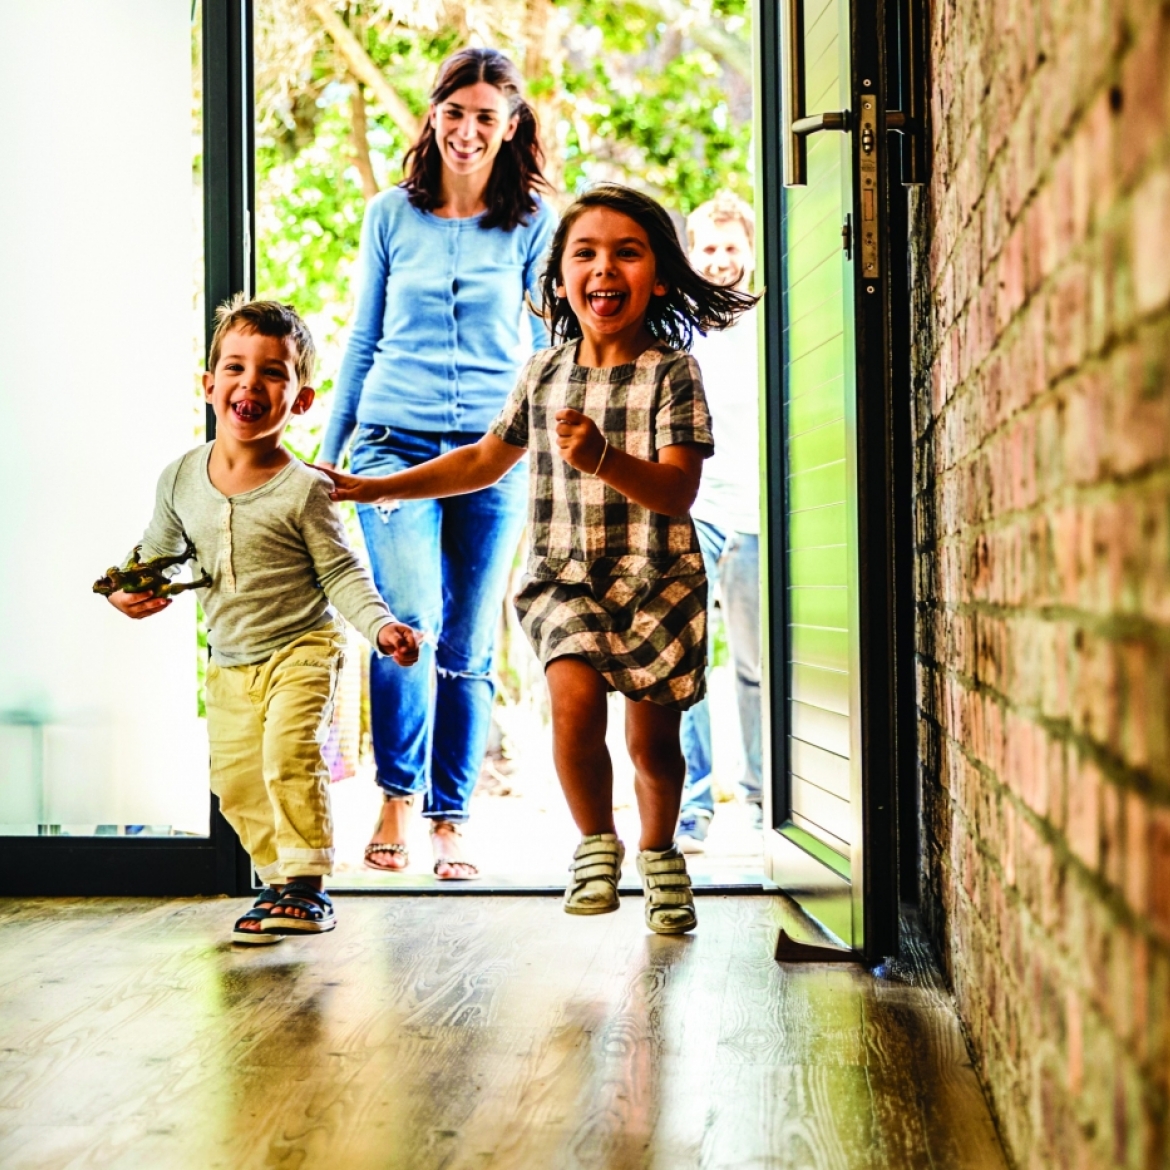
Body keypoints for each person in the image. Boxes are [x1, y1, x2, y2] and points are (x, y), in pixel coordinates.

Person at [318, 185, 755, 933]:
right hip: (566, 579)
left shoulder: (673, 372)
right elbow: (484, 460)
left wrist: (605, 457)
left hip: (658, 579)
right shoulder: (543, 372)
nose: (603, 268)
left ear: (658, 274)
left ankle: (660, 854)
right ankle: (595, 843)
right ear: (558, 280)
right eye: (584, 253)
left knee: (654, 745)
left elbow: (679, 491)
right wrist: (374, 483)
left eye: (627, 251)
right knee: (574, 706)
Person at [105, 296, 420, 944]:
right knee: (237, 781)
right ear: (210, 385)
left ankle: (306, 887)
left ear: (300, 400)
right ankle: (278, 882)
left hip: (302, 645)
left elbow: (340, 574)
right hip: (229, 658)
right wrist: (123, 590)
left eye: (274, 372)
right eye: (236, 367)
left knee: (288, 756)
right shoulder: (180, 478)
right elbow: (156, 553)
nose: (251, 383)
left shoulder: (305, 488)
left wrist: (380, 626)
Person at [317, 47, 556, 881]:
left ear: (510, 126)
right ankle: (394, 798)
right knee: (405, 623)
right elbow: (362, 336)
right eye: (454, 112)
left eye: (485, 116)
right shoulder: (391, 214)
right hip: (391, 444)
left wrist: (559, 451)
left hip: (495, 455)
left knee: (468, 639)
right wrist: (327, 455)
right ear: (433, 116)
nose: (466, 130)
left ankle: (449, 817)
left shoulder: (533, 224)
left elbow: (550, 348)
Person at [675, 192, 764, 852]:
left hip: (759, 512)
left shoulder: (773, 321)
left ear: (751, 253)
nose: (721, 260)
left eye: (733, 247)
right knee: (688, 661)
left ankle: (766, 799)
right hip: (695, 508)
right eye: (709, 248)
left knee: (759, 665)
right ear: (691, 254)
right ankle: (694, 805)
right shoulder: (678, 331)